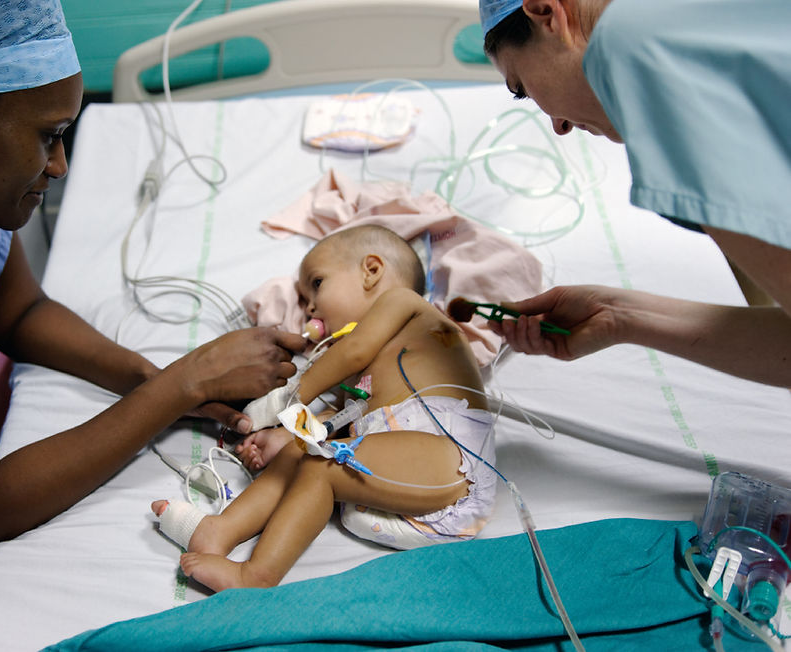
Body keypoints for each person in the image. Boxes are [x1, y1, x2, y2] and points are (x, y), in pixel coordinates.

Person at [0, 1, 303, 649]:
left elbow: (22, 313)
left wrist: (149, 377)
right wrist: (179, 385)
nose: (60, 165)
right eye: (50, 135)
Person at [151, 225, 498, 592]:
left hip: (451, 465)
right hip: (404, 473)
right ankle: (219, 530)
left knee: (322, 465)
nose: (310, 309)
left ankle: (254, 576)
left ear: (372, 271)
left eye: (316, 285)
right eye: (303, 301)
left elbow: (354, 351)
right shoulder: (369, 374)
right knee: (307, 451)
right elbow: (339, 421)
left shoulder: (405, 304)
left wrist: (288, 399)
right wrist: (285, 435)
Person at [477, 0, 791, 387]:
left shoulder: (636, 48)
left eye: (521, 88)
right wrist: (618, 316)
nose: (558, 125)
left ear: (545, 12)